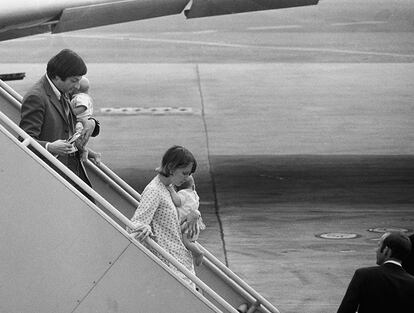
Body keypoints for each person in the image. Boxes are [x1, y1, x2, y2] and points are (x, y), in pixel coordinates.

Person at [19, 49, 100, 194]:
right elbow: (24, 141)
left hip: (70, 171)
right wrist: (49, 147)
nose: (77, 87)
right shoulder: (36, 97)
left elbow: (68, 127)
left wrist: (80, 144)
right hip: (53, 178)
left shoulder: (60, 90)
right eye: (74, 81)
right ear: (57, 77)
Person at [129, 145, 201, 285]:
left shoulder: (169, 187)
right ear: (171, 168)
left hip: (179, 261)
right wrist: (145, 228)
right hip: (170, 266)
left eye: (189, 174)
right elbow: (136, 223)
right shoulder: (154, 191)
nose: (187, 178)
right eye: (184, 173)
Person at [337, 231, 414, 313]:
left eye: (379, 246)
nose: (376, 251)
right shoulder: (411, 283)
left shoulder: (364, 275)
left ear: (386, 250)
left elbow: (345, 310)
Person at [167, 175, 205, 266]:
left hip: (186, 224)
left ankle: (199, 253)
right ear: (193, 186)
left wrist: (172, 190)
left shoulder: (183, 193)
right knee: (191, 241)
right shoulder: (195, 195)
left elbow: (178, 202)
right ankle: (196, 250)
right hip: (194, 224)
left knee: (186, 242)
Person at [69, 76, 101, 164]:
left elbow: (83, 106)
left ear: (77, 87)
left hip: (80, 123)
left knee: (75, 142)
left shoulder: (80, 97)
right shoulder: (86, 97)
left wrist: (72, 113)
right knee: (75, 143)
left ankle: (84, 151)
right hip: (83, 122)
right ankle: (94, 155)